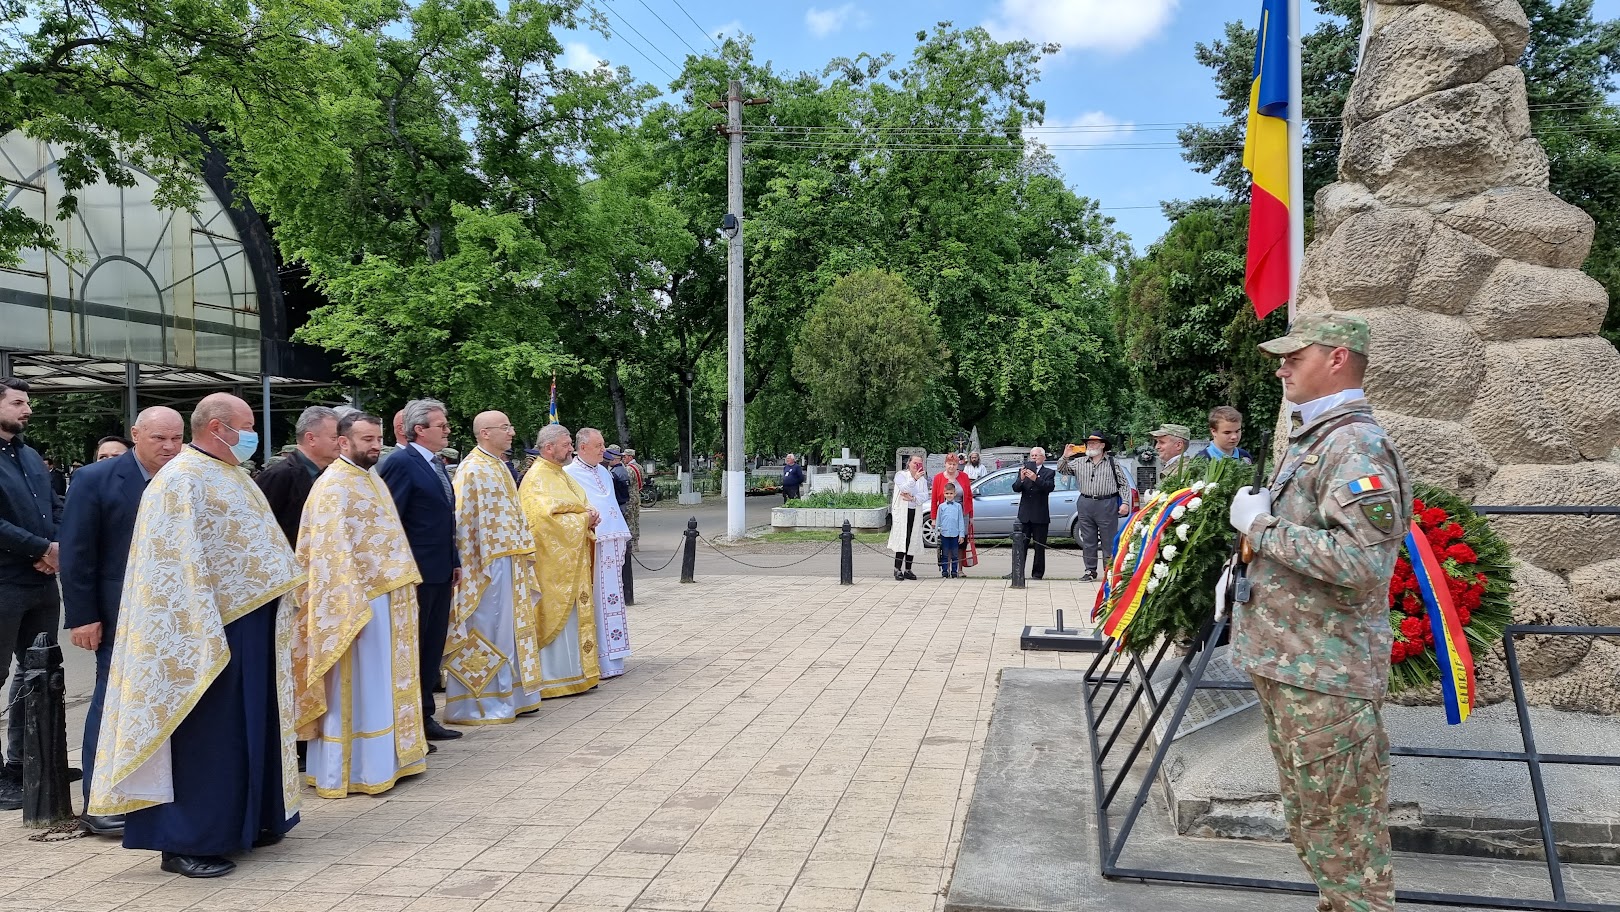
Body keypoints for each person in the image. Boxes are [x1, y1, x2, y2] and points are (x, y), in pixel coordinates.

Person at [1227, 313, 1410, 912]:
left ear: (1337, 358)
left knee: (1346, 843)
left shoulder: (1355, 444)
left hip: (1326, 676)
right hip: (1296, 665)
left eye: (1293, 356)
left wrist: (1263, 526)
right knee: (1318, 829)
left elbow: (1361, 563)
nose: (1281, 367)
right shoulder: (1319, 438)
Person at [89, 393, 303, 879]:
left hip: (252, 624)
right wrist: (198, 629)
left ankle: (247, 821)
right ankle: (187, 838)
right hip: (204, 632)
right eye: (246, 427)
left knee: (247, 730)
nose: (253, 437)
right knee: (205, 737)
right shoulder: (180, 480)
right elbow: (173, 568)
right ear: (217, 428)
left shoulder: (232, 474)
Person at [59, 406, 185, 836]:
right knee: (109, 702)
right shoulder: (95, 480)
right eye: (158, 439)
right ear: (136, 435)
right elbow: (78, 553)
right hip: (115, 616)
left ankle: (149, 791)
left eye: (175, 438)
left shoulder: (185, 475)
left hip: (171, 617)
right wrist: (83, 617)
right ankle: (98, 800)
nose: (169, 447)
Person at [292, 412, 429, 796]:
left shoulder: (372, 479)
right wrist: (348, 610)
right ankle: (356, 770)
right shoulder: (333, 486)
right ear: (342, 442)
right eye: (367, 438)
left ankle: (389, 759)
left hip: (389, 600)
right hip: (357, 607)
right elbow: (329, 559)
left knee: (383, 684)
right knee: (362, 686)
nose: (375, 445)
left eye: (378, 437)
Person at [441, 412, 547, 723]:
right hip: (485, 569)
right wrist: (470, 565)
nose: (512, 432)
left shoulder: (499, 465)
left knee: (509, 632)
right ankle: (478, 704)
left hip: (509, 564)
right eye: (506, 427)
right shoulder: (472, 470)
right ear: (485, 433)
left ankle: (513, 696)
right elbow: (462, 522)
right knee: (488, 629)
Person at [377, 398, 462, 744]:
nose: (447, 431)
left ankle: (426, 714)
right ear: (419, 430)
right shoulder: (400, 462)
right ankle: (409, 719)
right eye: (441, 426)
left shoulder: (437, 464)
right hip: (416, 571)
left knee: (432, 644)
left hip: (441, 568)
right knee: (414, 644)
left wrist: (454, 559)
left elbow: (445, 516)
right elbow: (392, 519)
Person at [0, 378, 65, 812]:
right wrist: (40, 548)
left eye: (28, 402)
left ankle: (25, 763)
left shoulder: (27, 455)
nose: (28, 410)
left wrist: (56, 548)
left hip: (42, 582)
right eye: (18, 402)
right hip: (4, 581)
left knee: (37, 671)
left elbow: (54, 507)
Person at [519, 425, 600, 697]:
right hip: (551, 564)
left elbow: (579, 504)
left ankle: (578, 673)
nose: (571, 449)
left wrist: (590, 515)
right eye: (566, 444)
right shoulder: (536, 478)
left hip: (572, 560)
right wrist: (583, 520)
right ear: (549, 447)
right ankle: (555, 679)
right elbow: (543, 521)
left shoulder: (560, 475)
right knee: (558, 617)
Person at [567, 428, 632, 679]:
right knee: (597, 600)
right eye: (598, 445)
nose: (602, 450)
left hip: (613, 541)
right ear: (582, 447)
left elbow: (611, 504)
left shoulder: (604, 471)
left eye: (603, 444)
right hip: (594, 544)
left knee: (613, 599)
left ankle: (615, 655)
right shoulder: (569, 474)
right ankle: (598, 658)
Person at [255, 406, 341, 547]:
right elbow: (260, 528)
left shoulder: (330, 474)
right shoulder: (279, 476)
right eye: (335, 438)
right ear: (311, 438)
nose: (341, 443)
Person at [1057, 432, 1135, 583]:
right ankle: (1090, 570)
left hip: (1107, 503)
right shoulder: (1079, 462)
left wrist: (1125, 502)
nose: (1090, 445)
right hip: (1085, 502)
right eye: (1089, 443)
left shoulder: (1112, 462)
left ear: (1102, 445)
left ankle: (1109, 571)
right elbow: (1062, 470)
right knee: (1088, 540)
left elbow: (1123, 484)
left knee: (1109, 540)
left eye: (1094, 443)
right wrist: (1065, 456)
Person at [1012, 447, 1055, 581]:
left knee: (1039, 547)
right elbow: (1016, 488)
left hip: (1040, 515)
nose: (1034, 457)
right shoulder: (1023, 470)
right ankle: (1018, 571)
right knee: (1021, 545)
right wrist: (1022, 478)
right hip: (1025, 514)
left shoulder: (1049, 472)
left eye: (1037, 455)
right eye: (1032, 455)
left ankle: (1037, 573)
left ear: (1043, 457)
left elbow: (1049, 487)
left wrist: (1035, 478)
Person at [930, 453, 976, 575]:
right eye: (949, 464)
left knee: (961, 541)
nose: (951, 467)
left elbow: (969, 497)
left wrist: (971, 515)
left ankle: (959, 569)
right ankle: (947, 568)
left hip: (961, 512)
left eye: (954, 464)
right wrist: (934, 518)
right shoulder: (938, 478)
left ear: (957, 465)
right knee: (947, 540)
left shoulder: (964, 477)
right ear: (945, 464)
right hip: (945, 512)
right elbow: (934, 499)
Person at [886, 455, 929, 581]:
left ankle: (908, 569)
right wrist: (914, 479)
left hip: (914, 510)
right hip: (902, 511)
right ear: (909, 463)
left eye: (919, 463)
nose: (917, 465)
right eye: (915, 463)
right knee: (902, 539)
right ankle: (897, 568)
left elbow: (924, 495)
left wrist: (913, 498)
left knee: (912, 539)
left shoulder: (923, 480)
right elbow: (904, 488)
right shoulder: (901, 475)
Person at [935, 484, 966, 579]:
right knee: (944, 553)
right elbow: (938, 520)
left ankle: (954, 571)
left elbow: (961, 520)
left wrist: (961, 534)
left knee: (955, 554)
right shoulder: (941, 507)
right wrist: (937, 532)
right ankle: (945, 571)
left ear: (954, 494)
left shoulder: (958, 506)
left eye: (951, 493)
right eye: (947, 493)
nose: (949, 495)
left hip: (955, 533)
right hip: (944, 533)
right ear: (944, 494)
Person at [621, 448, 644, 550]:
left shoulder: (629, 469)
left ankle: (632, 543)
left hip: (630, 497)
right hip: (637, 496)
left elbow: (627, 482)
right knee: (636, 519)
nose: (623, 459)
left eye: (625, 457)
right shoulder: (639, 467)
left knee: (630, 520)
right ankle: (636, 541)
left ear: (630, 457)